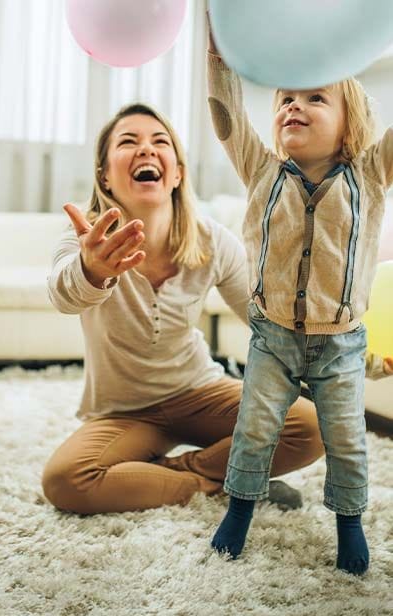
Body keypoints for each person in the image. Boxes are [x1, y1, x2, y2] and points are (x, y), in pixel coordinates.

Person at [42, 102, 329, 518]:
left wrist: (339, 351)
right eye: (128, 142)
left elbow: (265, 318)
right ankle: (219, 484)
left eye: (160, 142)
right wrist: (92, 270)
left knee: (309, 427)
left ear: (176, 172)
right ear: (105, 174)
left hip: (200, 393)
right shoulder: (85, 240)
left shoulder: (212, 240)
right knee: (66, 481)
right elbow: (64, 297)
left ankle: (176, 471)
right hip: (123, 412)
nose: (146, 149)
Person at [205, 24, 393, 575]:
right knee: (254, 428)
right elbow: (225, 114)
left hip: (339, 345)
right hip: (273, 337)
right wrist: (217, 48)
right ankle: (239, 511)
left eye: (316, 97)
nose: (295, 106)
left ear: (348, 120)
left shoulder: (371, 176)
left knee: (347, 441)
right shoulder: (260, 168)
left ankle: (349, 523)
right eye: (287, 97)